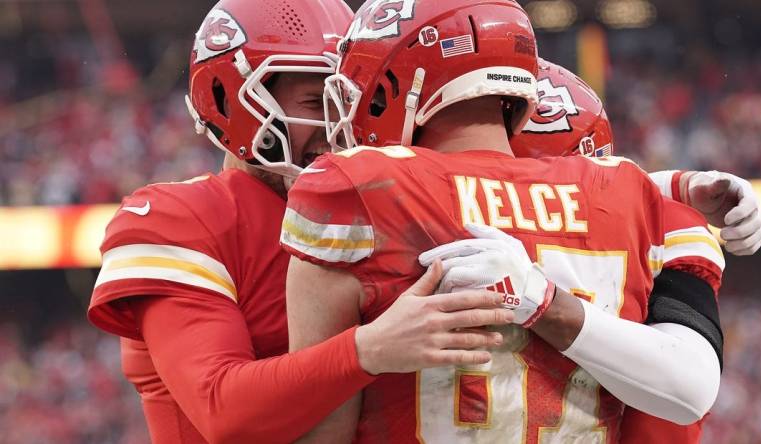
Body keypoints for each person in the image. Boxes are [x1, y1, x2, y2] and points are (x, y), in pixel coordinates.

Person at [283, 0, 722, 442]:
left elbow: (322, 427)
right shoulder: (628, 190)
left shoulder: (355, 187)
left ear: (403, 82)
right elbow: (687, 394)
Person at [87, 1, 514, 443]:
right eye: (316, 102)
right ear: (229, 97)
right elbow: (222, 410)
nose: (337, 124)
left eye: (348, 102)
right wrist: (368, 349)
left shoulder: (385, 202)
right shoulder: (182, 218)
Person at [513, 57, 760, 444]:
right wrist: (675, 187)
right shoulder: (660, 222)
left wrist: (543, 302)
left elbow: (686, 388)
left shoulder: (446, 219)